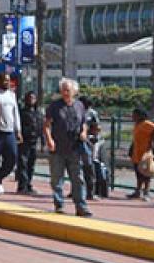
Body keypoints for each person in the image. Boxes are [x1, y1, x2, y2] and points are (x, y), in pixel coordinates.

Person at [44, 78, 93, 217]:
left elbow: (83, 123)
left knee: (78, 178)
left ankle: (81, 206)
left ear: (74, 91)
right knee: (57, 178)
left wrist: (83, 132)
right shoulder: (54, 106)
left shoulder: (79, 106)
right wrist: (49, 140)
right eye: (63, 89)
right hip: (58, 148)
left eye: (68, 90)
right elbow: (47, 125)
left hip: (75, 148)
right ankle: (59, 204)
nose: (65, 92)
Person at [127, 108, 154, 202]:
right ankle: (137, 191)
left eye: (135, 115)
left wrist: (151, 141)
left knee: (146, 172)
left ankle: (146, 192)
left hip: (145, 151)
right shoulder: (137, 124)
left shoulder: (146, 123)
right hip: (137, 151)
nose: (133, 117)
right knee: (138, 171)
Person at [17, 91, 42, 194]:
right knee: (23, 163)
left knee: (31, 164)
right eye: (29, 98)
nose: (31, 100)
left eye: (33, 98)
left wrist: (43, 142)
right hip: (24, 141)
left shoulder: (38, 114)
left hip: (34, 142)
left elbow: (41, 127)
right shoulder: (22, 112)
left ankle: (29, 184)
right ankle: (22, 185)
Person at [78, 95, 99, 200]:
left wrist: (93, 137)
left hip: (88, 142)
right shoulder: (76, 111)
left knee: (89, 167)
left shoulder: (92, 113)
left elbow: (96, 127)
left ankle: (90, 192)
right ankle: (76, 191)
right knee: (76, 168)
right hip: (76, 142)